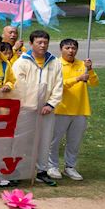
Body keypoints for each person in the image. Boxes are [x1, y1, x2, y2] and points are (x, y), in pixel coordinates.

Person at [13, 30, 65, 185]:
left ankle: (41, 170)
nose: (43, 45)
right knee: (23, 140)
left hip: (46, 109)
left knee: (44, 139)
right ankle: (18, 170)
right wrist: (29, 102)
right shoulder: (22, 62)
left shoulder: (54, 62)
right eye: (39, 42)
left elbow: (58, 85)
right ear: (31, 44)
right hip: (27, 108)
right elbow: (18, 85)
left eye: (45, 42)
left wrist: (50, 104)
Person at [52, 38, 98, 181]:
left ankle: (70, 167)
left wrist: (90, 70)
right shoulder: (56, 65)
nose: (71, 51)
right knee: (54, 141)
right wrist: (76, 79)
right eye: (67, 48)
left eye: (73, 48)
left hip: (80, 109)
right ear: (61, 49)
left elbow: (94, 83)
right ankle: (52, 166)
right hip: (61, 108)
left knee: (74, 141)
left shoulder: (82, 65)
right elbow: (58, 85)